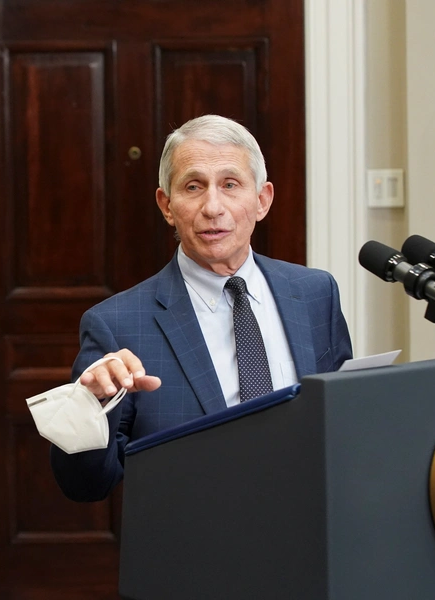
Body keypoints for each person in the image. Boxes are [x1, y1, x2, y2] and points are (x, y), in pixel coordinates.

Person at [50, 114, 352, 502]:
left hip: (310, 532)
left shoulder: (315, 293)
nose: (213, 206)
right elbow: (84, 485)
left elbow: (343, 423)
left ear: (262, 200)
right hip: (192, 548)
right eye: (194, 186)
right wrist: (89, 407)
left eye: (230, 184)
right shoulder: (117, 325)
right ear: (167, 205)